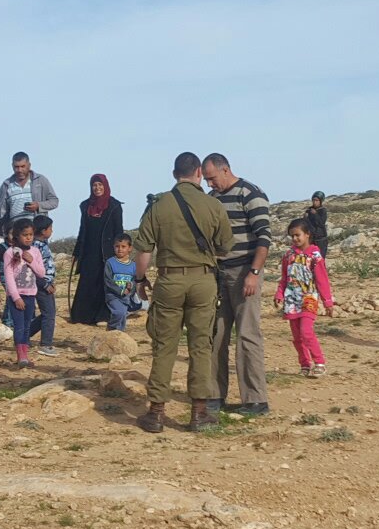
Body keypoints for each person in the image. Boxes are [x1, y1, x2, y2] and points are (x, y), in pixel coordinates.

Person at [130, 152, 231, 432]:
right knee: (201, 347)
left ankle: (157, 413)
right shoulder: (213, 205)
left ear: (175, 174)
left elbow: (144, 250)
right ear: (199, 172)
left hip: (170, 281)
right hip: (203, 281)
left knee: (165, 347)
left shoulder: (158, 205)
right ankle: (199, 413)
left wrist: (140, 279)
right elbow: (225, 246)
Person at [202, 152, 273, 416]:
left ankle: (255, 400)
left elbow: (264, 238)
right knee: (216, 336)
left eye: (212, 179)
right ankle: (214, 395)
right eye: (206, 180)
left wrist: (253, 273)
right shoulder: (212, 199)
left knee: (247, 335)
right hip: (218, 275)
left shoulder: (250, 193)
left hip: (245, 272)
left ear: (225, 170)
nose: (210, 184)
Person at [275, 217, 336, 376]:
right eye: (292, 236)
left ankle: (320, 362)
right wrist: (279, 293)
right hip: (292, 300)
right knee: (297, 337)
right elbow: (284, 278)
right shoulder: (288, 256)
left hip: (308, 299)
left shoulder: (315, 256)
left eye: (297, 235)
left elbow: (322, 279)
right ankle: (305, 364)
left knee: (306, 332)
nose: (295, 239)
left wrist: (327, 301)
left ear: (307, 234)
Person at [69, 173, 124, 327]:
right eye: (94, 185)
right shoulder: (85, 206)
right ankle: (82, 316)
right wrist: (76, 252)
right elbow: (82, 230)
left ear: (105, 186)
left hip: (107, 252)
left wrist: (119, 251)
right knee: (87, 282)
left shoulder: (114, 206)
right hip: (89, 252)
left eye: (100, 185)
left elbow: (118, 231)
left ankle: (103, 316)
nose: (97, 188)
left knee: (105, 283)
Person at [0, 219, 47, 367]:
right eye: (24, 234)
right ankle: (21, 356)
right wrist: (15, 297)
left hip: (30, 295)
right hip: (16, 297)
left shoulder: (35, 252)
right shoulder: (10, 253)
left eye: (31, 234)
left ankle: (25, 354)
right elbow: (8, 277)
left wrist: (31, 261)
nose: (28, 238)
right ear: (17, 236)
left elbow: (41, 273)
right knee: (19, 325)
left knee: (27, 325)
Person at [0, 151, 58, 237]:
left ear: (29, 165)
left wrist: (38, 205)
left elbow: (54, 201)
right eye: (16, 167)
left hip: (36, 230)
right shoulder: (6, 185)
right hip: (15, 232)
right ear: (12, 166)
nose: (19, 170)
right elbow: (0, 212)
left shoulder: (40, 180)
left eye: (23, 166)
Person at [30, 213, 58, 356]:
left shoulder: (42, 244)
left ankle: (25, 334)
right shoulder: (35, 247)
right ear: (43, 231)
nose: (52, 230)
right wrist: (46, 284)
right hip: (41, 284)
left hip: (46, 283)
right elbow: (35, 269)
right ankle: (46, 344)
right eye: (50, 228)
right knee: (49, 314)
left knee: (49, 312)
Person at [104, 233, 139, 331]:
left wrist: (130, 289)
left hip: (126, 297)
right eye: (117, 246)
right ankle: (110, 328)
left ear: (130, 248)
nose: (120, 249)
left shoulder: (133, 265)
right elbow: (108, 280)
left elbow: (134, 280)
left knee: (123, 317)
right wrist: (120, 291)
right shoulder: (110, 262)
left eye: (123, 246)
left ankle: (119, 336)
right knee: (118, 313)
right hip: (113, 295)